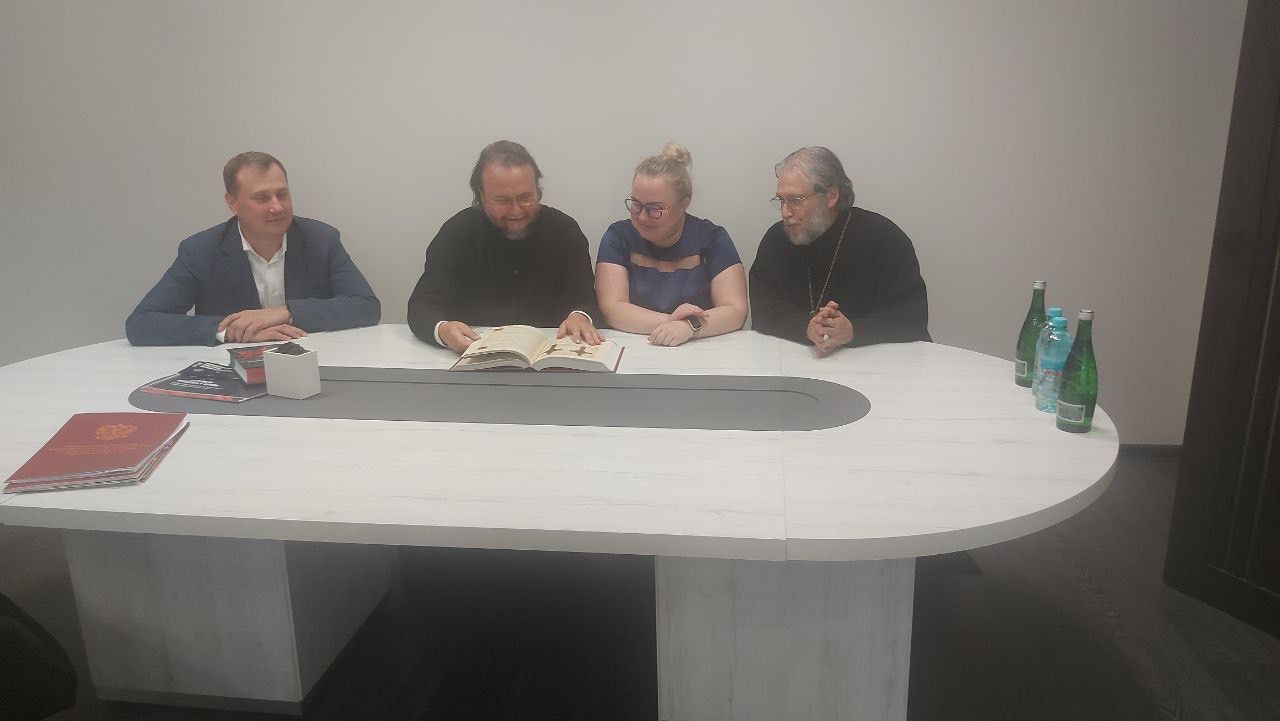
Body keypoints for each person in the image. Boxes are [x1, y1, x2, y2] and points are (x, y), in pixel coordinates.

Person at [125, 152, 381, 346]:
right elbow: (142, 323)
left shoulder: (321, 240)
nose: (277, 207)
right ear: (232, 203)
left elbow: (366, 306)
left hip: (313, 361)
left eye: (282, 194)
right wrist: (230, 331)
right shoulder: (201, 250)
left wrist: (285, 313)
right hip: (233, 371)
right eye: (262, 198)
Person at [407, 140, 603, 353]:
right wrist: (443, 330)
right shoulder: (457, 232)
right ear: (481, 196)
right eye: (502, 200)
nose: (516, 211)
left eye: (526, 198)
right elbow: (423, 305)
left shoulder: (564, 230)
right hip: (473, 355)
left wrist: (580, 316)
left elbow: (585, 298)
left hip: (551, 356)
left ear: (538, 191)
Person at [749, 146, 930, 355]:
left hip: (879, 363)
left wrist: (853, 331)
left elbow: (912, 316)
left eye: (795, 200)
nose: (785, 212)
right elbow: (763, 307)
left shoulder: (884, 239)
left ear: (831, 196)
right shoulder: (777, 239)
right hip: (796, 361)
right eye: (781, 200)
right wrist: (807, 327)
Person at [595, 143, 747, 346]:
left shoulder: (712, 238)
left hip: (699, 349)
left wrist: (690, 327)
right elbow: (613, 308)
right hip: (635, 347)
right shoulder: (618, 236)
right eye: (636, 204)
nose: (642, 217)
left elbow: (735, 310)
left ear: (684, 204)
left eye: (654, 209)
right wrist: (670, 322)